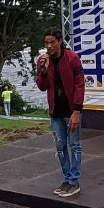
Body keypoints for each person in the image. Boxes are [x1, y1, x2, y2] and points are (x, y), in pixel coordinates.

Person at [34, 28, 85, 197]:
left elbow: (80, 85)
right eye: (46, 43)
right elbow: (42, 86)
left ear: (60, 41)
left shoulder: (72, 58)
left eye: (52, 42)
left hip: (71, 110)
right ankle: (67, 179)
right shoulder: (42, 60)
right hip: (55, 112)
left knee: (74, 145)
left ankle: (74, 182)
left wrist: (77, 111)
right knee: (60, 146)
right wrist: (43, 71)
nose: (49, 46)